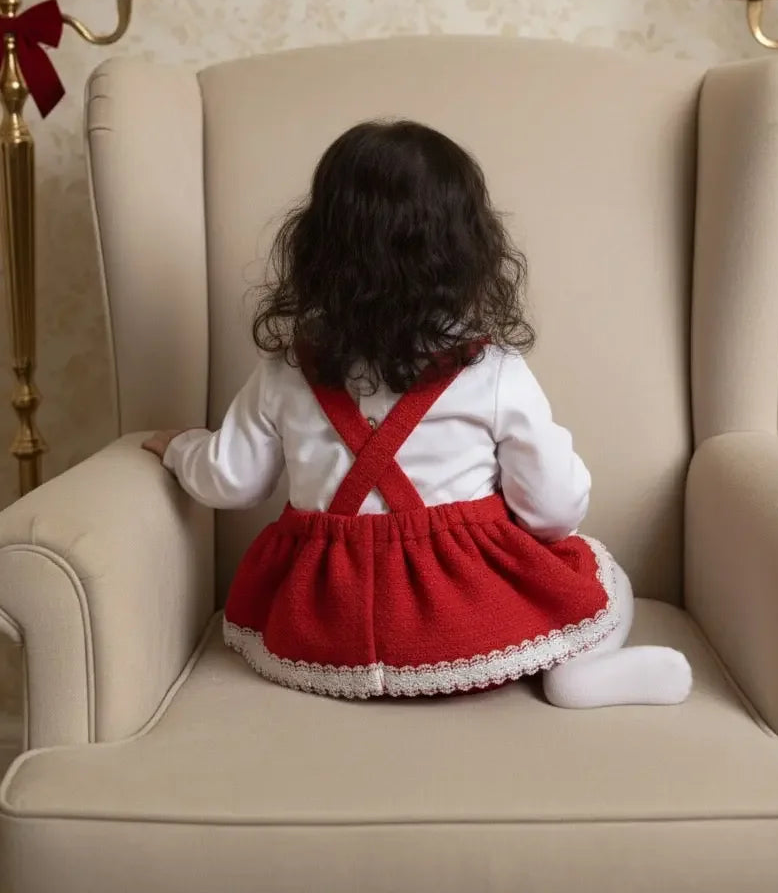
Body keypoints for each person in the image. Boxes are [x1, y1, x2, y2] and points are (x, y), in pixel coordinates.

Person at [144, 120, 691, 708]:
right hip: (460, 622)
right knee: (595, 576)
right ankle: (579, 669)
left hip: (327, 630)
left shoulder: (286, 368)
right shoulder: (493, 370)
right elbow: (553, 509)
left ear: (318, 247)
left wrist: (179, 448)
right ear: (469, 250)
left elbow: (232, 479)